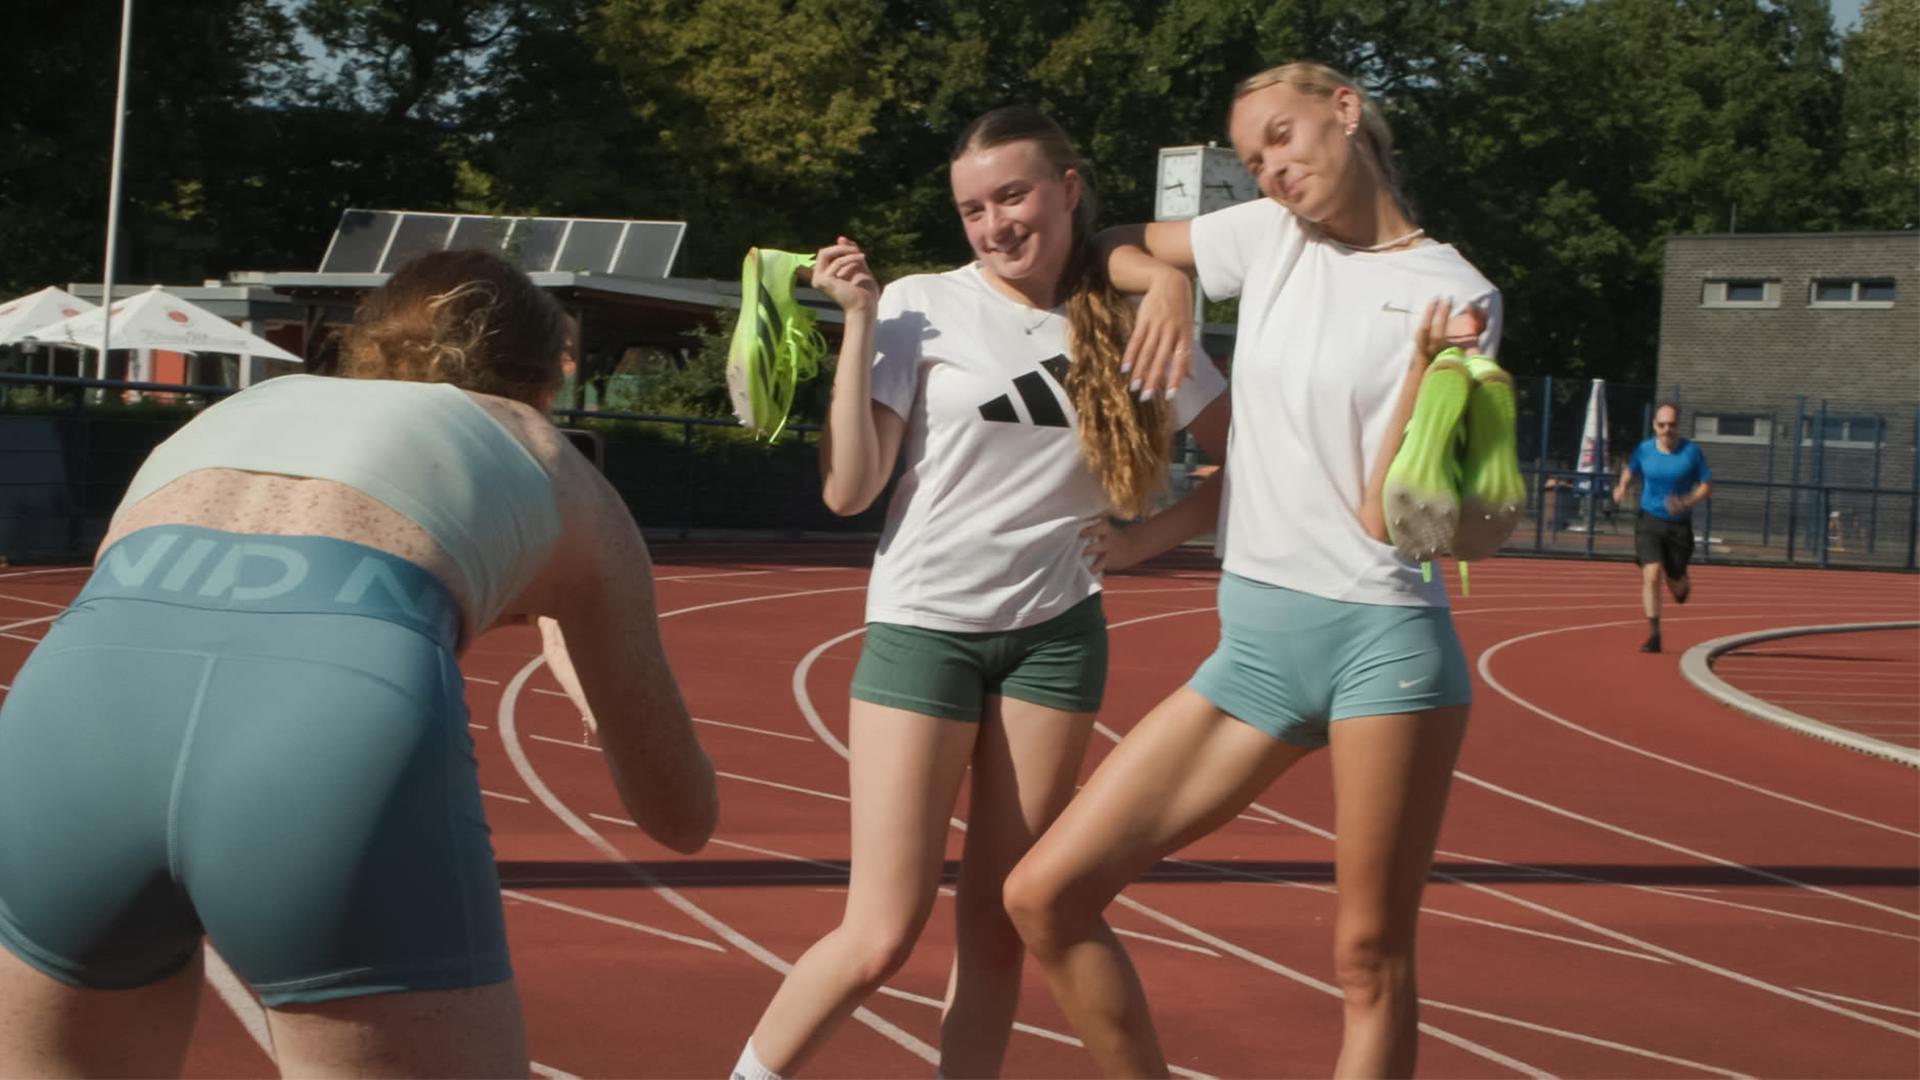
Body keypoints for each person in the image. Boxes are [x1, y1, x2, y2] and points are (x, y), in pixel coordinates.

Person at [0, 250, 717, 1078]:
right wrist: (572, 641)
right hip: (329, 735)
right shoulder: (548, 454)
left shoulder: (238, 412)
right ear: (540, 379)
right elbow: (679, 814)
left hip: (72, 708)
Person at [1001, 62, 1501, 1078]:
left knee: (1369, 957)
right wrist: (1173, 282)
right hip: (1258, 654)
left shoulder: (1458, 293)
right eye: (1251, 156)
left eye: (1283, 137)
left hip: (1384, 649)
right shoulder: (1265, 239)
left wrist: (1423, 377)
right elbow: (1107, 248)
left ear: (1348, 114)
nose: (1271, 168)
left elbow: (1403, 519)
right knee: (1043, 896)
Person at [729, 107, 1230, 1080]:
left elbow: (1249, 459)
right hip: (927, 633)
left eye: (1014, 195)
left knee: (1000, 928)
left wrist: (1146, 540)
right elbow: (847, 490)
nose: (996, 223)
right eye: (972, 208)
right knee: (879, 933)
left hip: (1056, 642)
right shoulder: (922, 304)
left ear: (1069, 189)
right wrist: (861, 321)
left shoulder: (1139, 317)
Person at [1611, 402, 1711, 653]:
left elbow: (1706, 486)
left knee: (1676, 586)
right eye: (1662, 424)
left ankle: (1680, 580)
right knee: (1651, 574)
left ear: (1678, 426)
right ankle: (1654, 636)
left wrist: (1687, 500)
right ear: (1655, 426)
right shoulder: (1644, 450)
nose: (1667, 429)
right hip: (1649, 521)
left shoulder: (1691, 452)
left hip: (1679, 526)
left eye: (1672, 425)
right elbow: (1630, 470)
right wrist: (1622, 486)